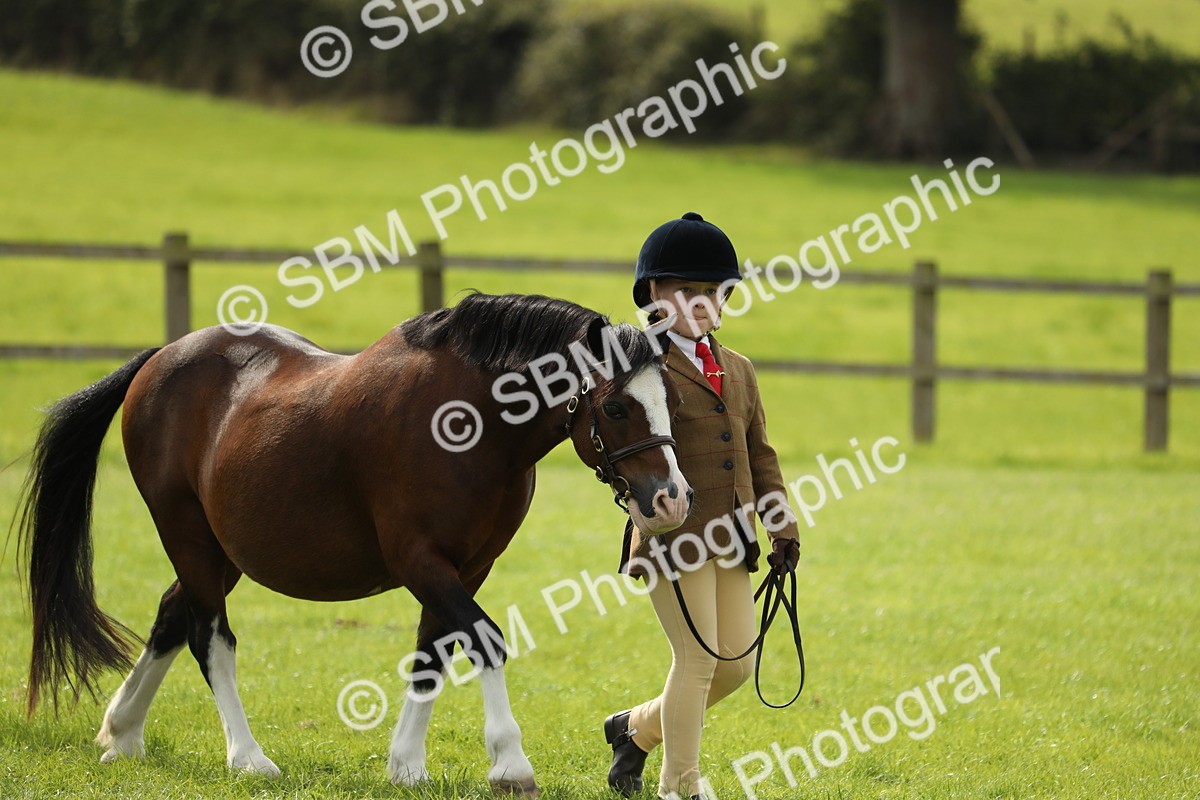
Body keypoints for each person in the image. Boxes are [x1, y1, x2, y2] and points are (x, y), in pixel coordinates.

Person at [603, 212, 802, 800]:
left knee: (735, 663)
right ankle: (680, 785)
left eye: (712, 291)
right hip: (672, 533)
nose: (700, 302)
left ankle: (635, 730)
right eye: (685, 289)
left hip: (733, 534)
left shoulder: (739, 369)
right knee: (696, 660)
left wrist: (781, 525)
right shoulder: (641, 368)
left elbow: (759, 454)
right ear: (653, 294)